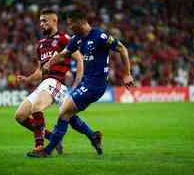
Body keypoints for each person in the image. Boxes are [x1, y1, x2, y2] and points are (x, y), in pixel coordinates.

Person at [28, 10, 134, 158]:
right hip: (86, 83)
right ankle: (93, 136)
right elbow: (64, 54)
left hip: (96, 85)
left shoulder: (100, 36)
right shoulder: (77, 39)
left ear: (81, 21)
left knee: (64, 111)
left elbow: (122, 49)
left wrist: (127, 74)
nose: (70, 27)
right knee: (68, 113)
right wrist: (49, 64)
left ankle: (47, 150)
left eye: (71, 24)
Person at [15, 9, 102, 156]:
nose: (41, 24)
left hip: (56, 82)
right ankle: (88, 136)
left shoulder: (64, 38)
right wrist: (28, 79)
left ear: (54, 21)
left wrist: (77, 82)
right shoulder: (41, 44)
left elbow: (79, 59)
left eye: (45, 21)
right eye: (40, 21)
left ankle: (39, 147)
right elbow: (40, 71)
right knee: (20, 116)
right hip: (44, 83)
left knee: (38, 108)